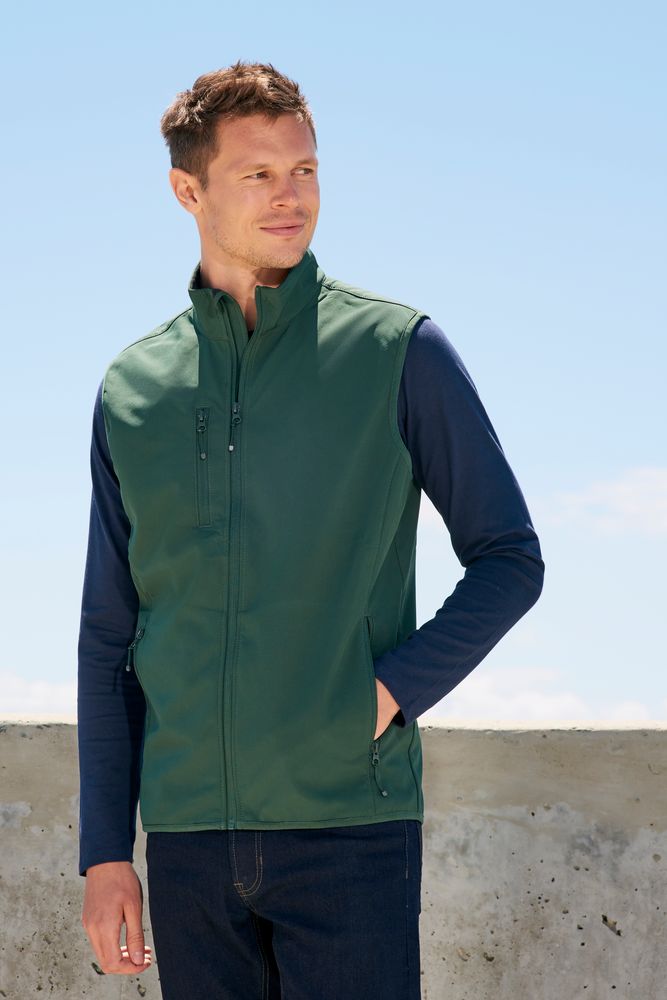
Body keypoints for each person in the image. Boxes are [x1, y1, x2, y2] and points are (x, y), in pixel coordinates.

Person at [77, 61, 544, 999]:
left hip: (348, 828)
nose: (290, 197)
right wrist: (105, 851)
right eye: (257, 174)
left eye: (305, 170)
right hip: (187, 842)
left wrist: (386, 694)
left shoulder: (398, 350)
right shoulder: (133, 389)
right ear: (188, 191)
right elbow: (109, 637)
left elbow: (509, 559)